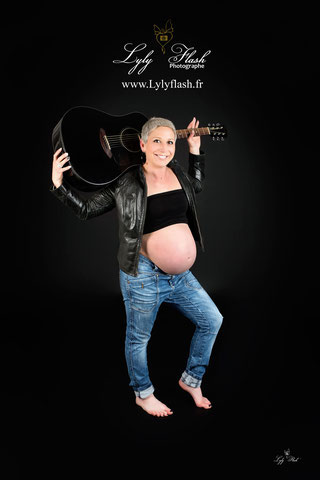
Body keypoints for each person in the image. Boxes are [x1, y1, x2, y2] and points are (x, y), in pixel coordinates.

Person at [50, 116, 223, 417]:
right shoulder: (126, 181)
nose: (164, 148)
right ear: (142, 144)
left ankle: (191, 380)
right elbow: (88, 210)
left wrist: (195, 150)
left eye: (170, 141)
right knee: (139, 338)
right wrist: (58, 185)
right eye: (157, 140)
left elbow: (196, 186)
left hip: (180, 277)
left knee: (213, 320)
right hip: (143, 276)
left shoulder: (178, 172)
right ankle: (143, 394)